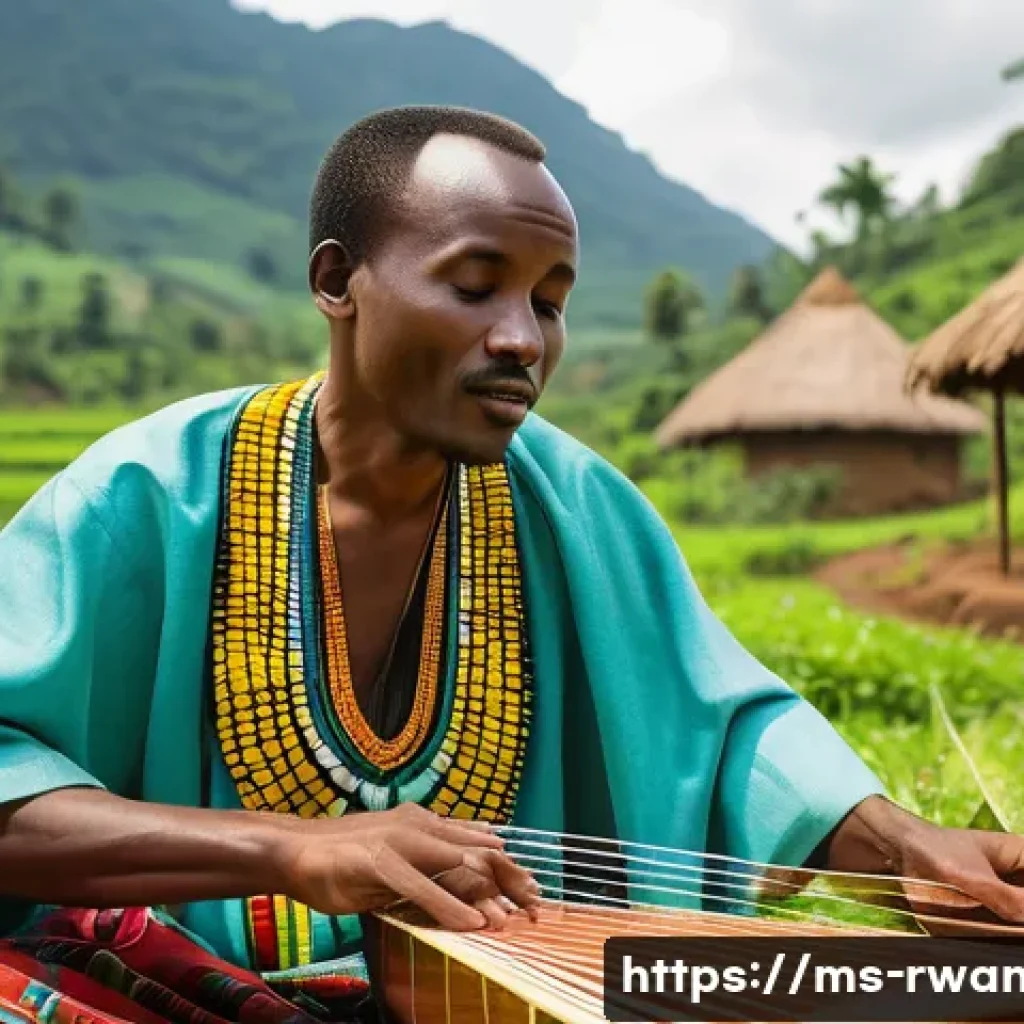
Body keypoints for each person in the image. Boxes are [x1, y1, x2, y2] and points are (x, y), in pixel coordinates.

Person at [1, 105, 1023, 1023]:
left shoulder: (577, 505)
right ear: (334, 281)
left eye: (550, 300)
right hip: (173, 987)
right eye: (475, 285)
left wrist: (901, 845)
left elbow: (720, 729)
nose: (521, 337)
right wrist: (293, 847)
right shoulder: (143, 495)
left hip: (498, 989)